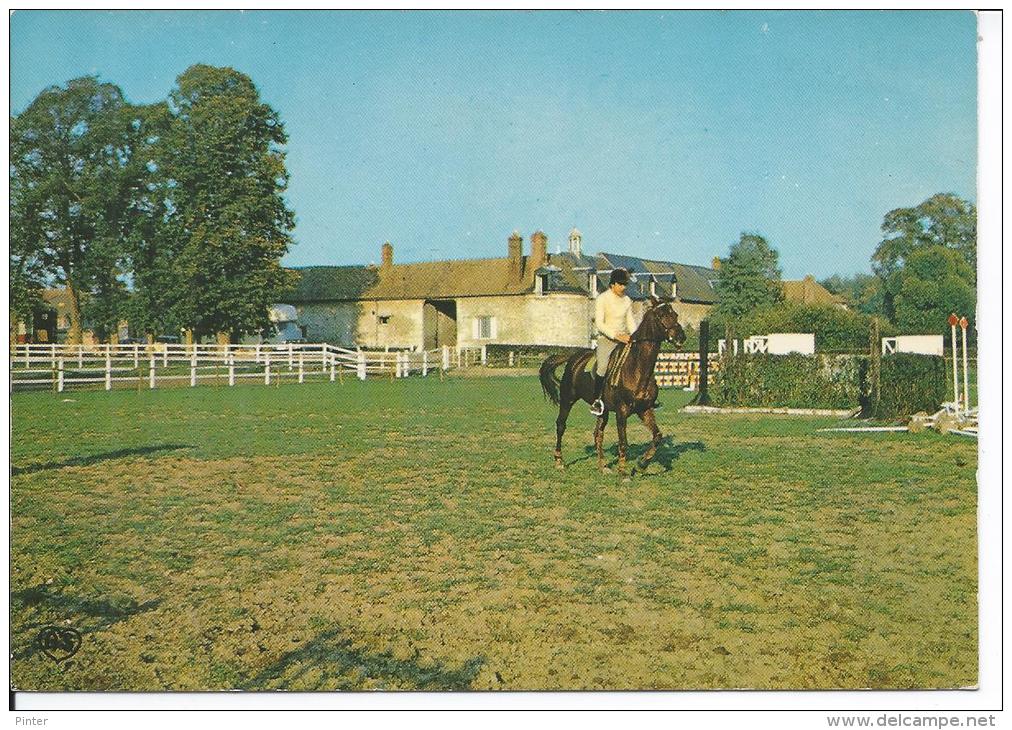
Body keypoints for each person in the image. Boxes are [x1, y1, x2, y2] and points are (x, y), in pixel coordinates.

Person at [590, 268, 636, 416]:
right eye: (621, 284)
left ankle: (646, 397)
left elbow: (630, 321)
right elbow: (599, 324)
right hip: (607, 340)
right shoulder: (602, 298)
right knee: (602, 366)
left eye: (625, 285)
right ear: (612, 284)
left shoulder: (627, 300)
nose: (624, 287)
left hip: (625, 340)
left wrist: (635, 336)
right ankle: (596, 400)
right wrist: (616, 336)